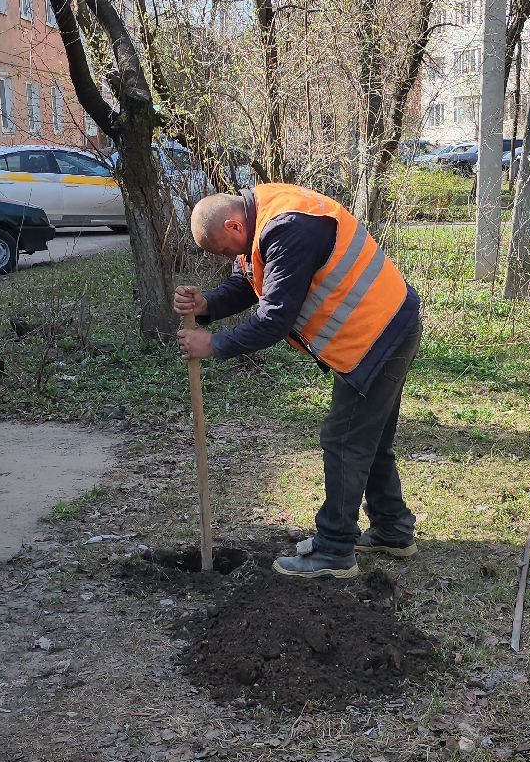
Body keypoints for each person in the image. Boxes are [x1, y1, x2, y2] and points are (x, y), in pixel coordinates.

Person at [175, 186, 422, 578]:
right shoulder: (262, 217)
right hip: (385, 327)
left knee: (344, 440)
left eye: (224, 249)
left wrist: (214, 344)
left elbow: (275, 319)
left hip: (378, 335)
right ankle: (392, 529)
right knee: (368, 439)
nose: (230, 257)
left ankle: (335, 549)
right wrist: (208, 305)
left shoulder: (289, 228)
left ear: (234, 224)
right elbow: (252, 281)